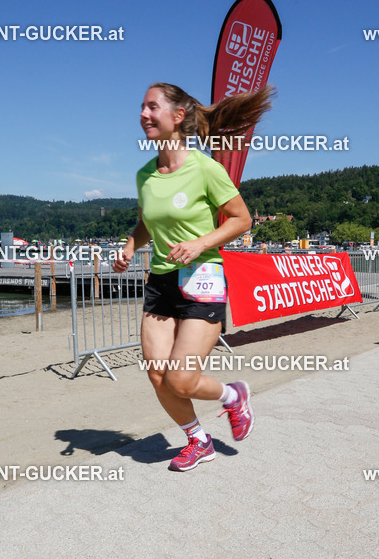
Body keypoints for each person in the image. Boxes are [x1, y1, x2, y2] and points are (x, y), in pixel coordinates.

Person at [113, 81, 273, 471]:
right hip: (161, 283)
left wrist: (201, 243)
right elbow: (146, 224)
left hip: (202, 277)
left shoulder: (205, 167)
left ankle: (233, 396)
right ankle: (198, 441)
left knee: (181, 380)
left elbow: (241, 219)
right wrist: (131, 245)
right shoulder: (145, 175)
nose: (143, 114)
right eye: (142, 107)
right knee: (157, 375)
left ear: (177, 117)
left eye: (152, 107)